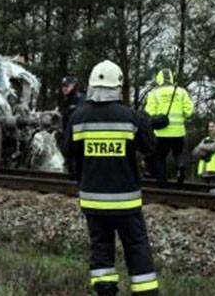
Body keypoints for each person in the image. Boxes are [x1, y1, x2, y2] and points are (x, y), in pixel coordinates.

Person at [67, 60, 158, 296]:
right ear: (118, 86)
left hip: (92, 201)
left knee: (101, 250)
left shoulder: (78, 118)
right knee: (137, 248)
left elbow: (68, 153)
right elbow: (150, 147)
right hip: (126, 201)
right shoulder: (131, 117)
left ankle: (106, 291)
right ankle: (146, 293)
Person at [144, 68, 194, 187]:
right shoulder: (181, 91)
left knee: (160, 158)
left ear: (159, 79)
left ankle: (162, 183)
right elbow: (189, 111)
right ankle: (180, 167)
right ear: (172, 78)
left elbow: (149, 112)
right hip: (178, 131)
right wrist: (183, 118)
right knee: (178, 153)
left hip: (161, 133)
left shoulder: (154, 93)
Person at [60, 76, 85, 176]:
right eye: (63, 86)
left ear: (73, 86)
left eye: (67, 86)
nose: (64, 88)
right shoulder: (67, 101)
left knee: (77, 163)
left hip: (78, 136)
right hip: (69, 135)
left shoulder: (80, 99)